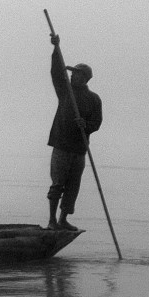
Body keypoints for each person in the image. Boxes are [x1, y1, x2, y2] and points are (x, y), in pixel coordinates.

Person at [46, 33, 102, 231]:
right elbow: (56, 73)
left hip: (79, 150)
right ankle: (52, 220)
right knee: (57, 185)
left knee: (72, 188)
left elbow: (97, 123)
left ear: (85, 78)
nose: (72, 75)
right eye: (72, 73)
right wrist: (56, 48)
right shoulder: (65, 90)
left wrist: (85, 124)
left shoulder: (94, 99)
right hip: (61, 145)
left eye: (76, 74)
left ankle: (63, 220)